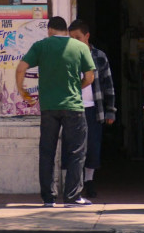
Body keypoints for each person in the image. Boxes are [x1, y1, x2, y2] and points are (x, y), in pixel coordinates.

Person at [16, 16, 95, 208]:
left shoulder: (41, 46)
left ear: (50, 30)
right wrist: (77, 87)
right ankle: (72, 197)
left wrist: (23, 91)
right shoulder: (80, 47)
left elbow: (21, 68)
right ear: (66, 31)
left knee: (47, 152)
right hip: (74, 107)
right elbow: (90, 77)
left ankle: (48, 198)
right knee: (76, 152)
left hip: (49, 107)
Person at [68, 19, 117, 198]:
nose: (74, 41)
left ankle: (89, 181)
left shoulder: (99, 56)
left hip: (94, 109)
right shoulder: (69, 56)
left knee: (93, 146)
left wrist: (111, 109)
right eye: (71, 38)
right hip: (73, 108)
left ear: (87, 36)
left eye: (78, 38)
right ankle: (76, 183)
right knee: (74, 147)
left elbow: (108, 85)